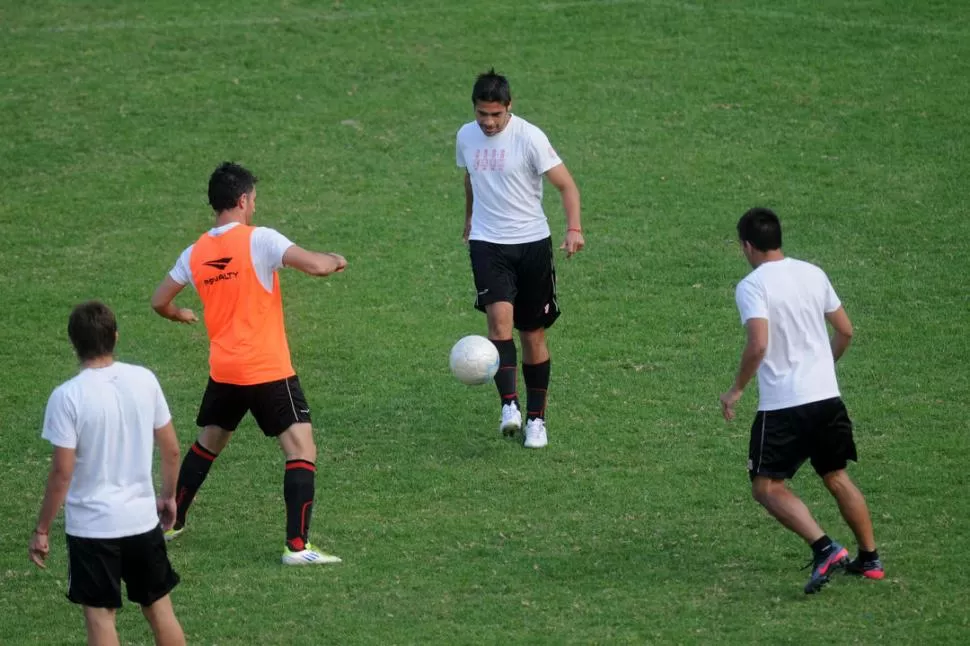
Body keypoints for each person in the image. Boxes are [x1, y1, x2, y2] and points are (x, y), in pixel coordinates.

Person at [150, 161, 347, 566]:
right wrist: (336, 258)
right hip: (268, 369)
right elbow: (316, 266)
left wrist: (179, 314)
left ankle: (171, 522)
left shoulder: (195, 252)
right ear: (242, 200)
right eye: (253, 198)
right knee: (300, 448)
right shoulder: (260, 240)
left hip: (225, 371)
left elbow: (159, 300)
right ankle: (297, 547)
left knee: (208, 443)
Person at [719, 207, 884, 594]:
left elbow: (758, 343)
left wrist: (737, 389)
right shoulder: (813, 273)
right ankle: (871, 559)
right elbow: (845, 331)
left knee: (766, 487)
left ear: (747, 245)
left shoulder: (753, 285)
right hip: (827, 398)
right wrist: (822, 367)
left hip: (784, 406)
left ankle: (825, 548)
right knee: (836, 475)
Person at [29, 301, 185, 646]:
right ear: (115, 336)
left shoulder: (67, 396)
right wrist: (169, 497)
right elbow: (172, 449)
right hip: (142, 521)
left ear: (74, 343)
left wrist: (41, 530)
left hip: (92, 528)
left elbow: (61, 472)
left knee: (101, 618)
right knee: (160, 610)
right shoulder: (145, 380)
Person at [455, 69, 584, 449]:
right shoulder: (465, 136)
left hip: (531, 244)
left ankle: (537, 420)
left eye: (496, 114)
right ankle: (509, 405)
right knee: (498, 323)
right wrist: (468, 219)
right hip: (487, 243)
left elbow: (567, 185)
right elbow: (470, 180)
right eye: (482, 114)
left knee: (532, 334)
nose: (489, 122)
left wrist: (574, 229)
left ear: (509, 107)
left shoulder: (529, 137)